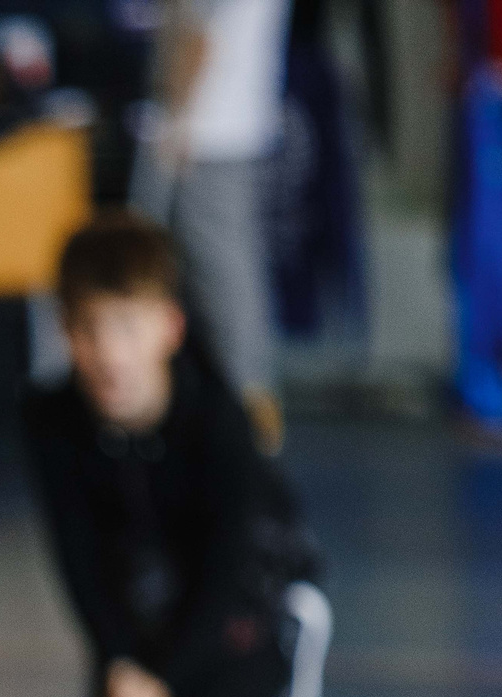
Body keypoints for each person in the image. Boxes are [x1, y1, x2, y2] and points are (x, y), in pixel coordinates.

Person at [22, 213, 333, 697]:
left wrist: (163, 683)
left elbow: (229, 566)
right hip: (146, 610)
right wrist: (123, 665)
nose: (109, 355)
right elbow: (80, 564)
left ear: (170, 326)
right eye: (87, 328)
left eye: (127, 327)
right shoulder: (50, 423)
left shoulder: (219, 421)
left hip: (245, 610)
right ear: (65, 332)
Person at [138, 0, 290, 453]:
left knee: (223, 281)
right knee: (222, 277)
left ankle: (249, 417)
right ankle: (239, 413)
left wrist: (176, 121)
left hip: (208, 135)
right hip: (230, 129)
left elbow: (198, 36)